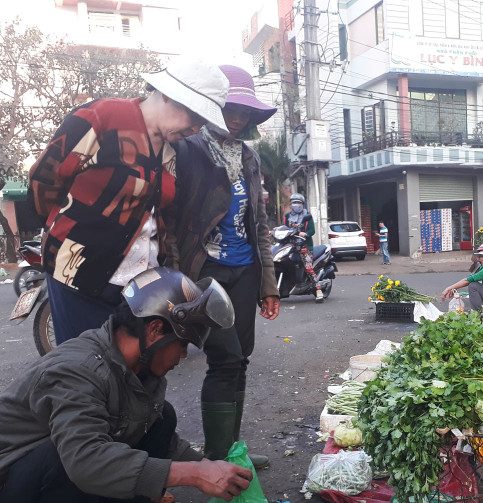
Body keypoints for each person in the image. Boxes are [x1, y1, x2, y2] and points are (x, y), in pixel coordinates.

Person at [0, 268, 249, 503]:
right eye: (183, 345)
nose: (184, 356)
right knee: (73, 453)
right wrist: (196, 474)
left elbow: (164, 442)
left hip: (62, 474)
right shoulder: (78, 370)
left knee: (160, 416)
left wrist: (210, 468)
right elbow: (85, 461)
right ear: (156, 330)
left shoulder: (139, 368)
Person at [28, 56, 229, 346]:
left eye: (203, 122)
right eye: (195, 117)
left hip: (139, 283)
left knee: (131, 375)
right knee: (87, 371)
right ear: (170, 96)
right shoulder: (102, 118)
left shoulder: (172, 150)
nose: (197, 129)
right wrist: (71, 229)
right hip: (79, 273)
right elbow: (45, 181)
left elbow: (156, 213)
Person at [166, 65, 279, 468]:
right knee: (225, 357)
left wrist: (268, 283)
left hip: (244, 270)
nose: (239, 119)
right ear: (214, 106)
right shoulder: (188, 149)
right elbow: (171, 220)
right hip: (204, 272)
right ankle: (216, 455)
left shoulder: (248, 157)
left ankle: (232, 449)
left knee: (241, 358)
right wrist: (178, 278)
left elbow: (259, 222)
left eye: (246, 113)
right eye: (232, 109)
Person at [440, 242, 483, 310]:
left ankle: (478, 314)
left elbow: (467, 281)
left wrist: (448, 289)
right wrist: (460, 293)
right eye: (481, 256)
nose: (482, 259)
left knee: (473, 286)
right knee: (477, 285)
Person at [284, 193, 323, 301]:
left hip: (304, 246)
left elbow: (312, 230)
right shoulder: (287, 216)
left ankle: (318, 289)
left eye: (299, 202)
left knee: (308, 268)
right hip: (290, 246)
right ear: (291, 204)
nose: (296, 205)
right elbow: (284, 228)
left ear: (302, 204)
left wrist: (305, 234)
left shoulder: (307, 215)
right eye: (294, 202)